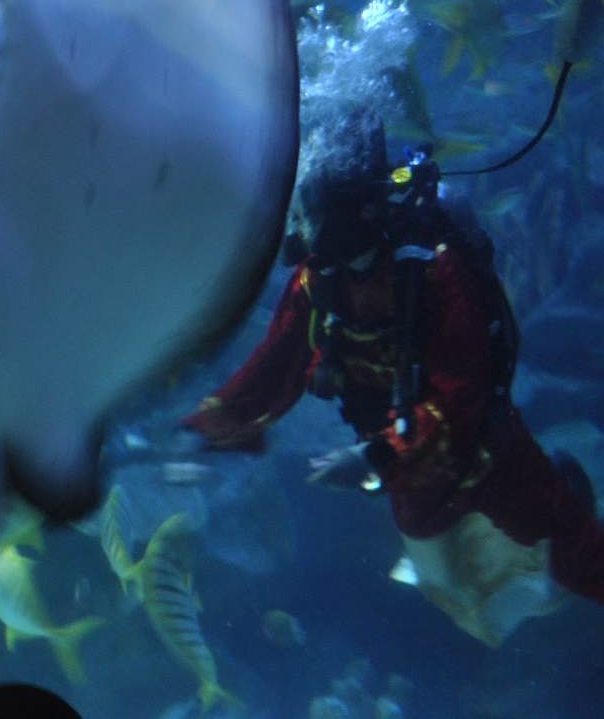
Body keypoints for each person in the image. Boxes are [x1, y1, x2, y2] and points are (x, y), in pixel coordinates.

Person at [179, 107, 604, 605]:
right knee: (453, 586)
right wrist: (202, 432)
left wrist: (375, 456)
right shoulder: (318, 280)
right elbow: (274, 370)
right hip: (407, 477)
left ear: (350, 211)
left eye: (307, 210)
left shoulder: (436, 271)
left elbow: (461, 398)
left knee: (570, 548)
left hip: (485, 454)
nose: (297, 228)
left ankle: (569, 500)